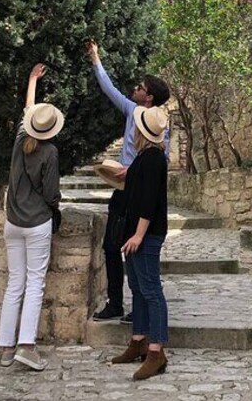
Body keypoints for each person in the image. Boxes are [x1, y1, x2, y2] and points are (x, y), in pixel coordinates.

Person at [86, 41, 170, 323]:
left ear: (149, 97)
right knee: (111, 245)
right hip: (122, 192)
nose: (134, 90)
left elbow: (159, 162)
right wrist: (96, 59)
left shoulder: (158, 127)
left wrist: (131, 171)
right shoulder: (131, 110)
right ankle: (115, 302)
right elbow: (109, 89)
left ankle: (142, 309)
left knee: (139, 253)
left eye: (139, 88)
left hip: (139, 194)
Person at [0, 63, 64, 371]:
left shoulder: (18, 142)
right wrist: (56, 206)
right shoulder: (49, 153)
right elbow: (50, 192)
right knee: (35, 282)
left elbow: (28, 110)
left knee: (15, 282)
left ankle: (5, 348)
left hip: (12, 221)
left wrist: (31, 80)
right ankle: (26, 345)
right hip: (37, 222)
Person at [111, 105, 170, 380]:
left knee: (151, 289)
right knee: (136, 286)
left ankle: (156, 351)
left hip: (145, 233)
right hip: (135, 230)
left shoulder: (154, 159)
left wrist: (138, 234)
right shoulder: (143, 158)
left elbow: (148, 201)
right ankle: (138, 340)